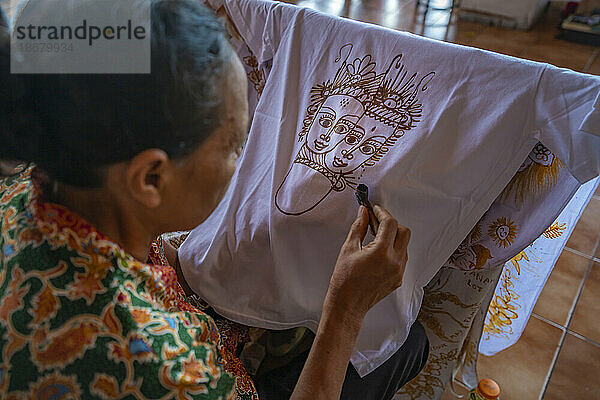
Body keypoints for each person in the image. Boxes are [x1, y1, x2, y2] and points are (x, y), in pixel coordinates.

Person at [0, 1, 428, 398]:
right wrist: (346, 310)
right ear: (150, 178)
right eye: (234, 146)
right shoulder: (171, 369)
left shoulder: (26, 184)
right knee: (407, 344)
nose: (244, 162)